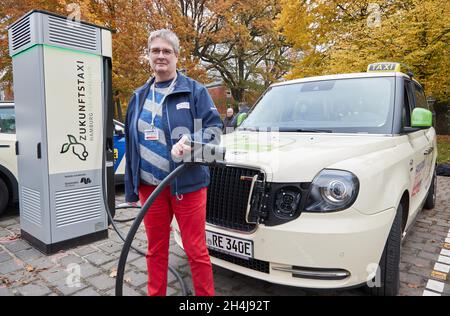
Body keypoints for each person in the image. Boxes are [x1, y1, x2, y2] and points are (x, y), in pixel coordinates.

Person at [124, 29, 222, 296]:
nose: (161, 56)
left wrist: (192, 139)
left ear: (177, 56)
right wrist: (133, 187)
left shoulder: (194, 91)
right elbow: (132, 145)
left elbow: (214, 130)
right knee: (155, 249)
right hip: (150, 188)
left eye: (167, 51)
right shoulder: (139, 96)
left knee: (195, 249)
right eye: (155, 50)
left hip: (187, 185)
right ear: (148, 56)